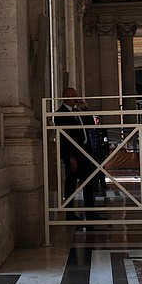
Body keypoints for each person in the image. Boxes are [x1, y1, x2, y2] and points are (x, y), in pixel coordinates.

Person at [56, 87, 97, 220]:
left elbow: (90, 124)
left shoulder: (77, 112)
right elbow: (64, 138)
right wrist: (70, 157)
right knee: (71, 185)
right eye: (74, 95)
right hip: (73, 156)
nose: (76, 97)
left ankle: (90, 213)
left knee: (88, 183)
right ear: (66, 97)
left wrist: (84, 108)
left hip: (84, 153)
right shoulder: (59, 114)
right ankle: (70, 214)